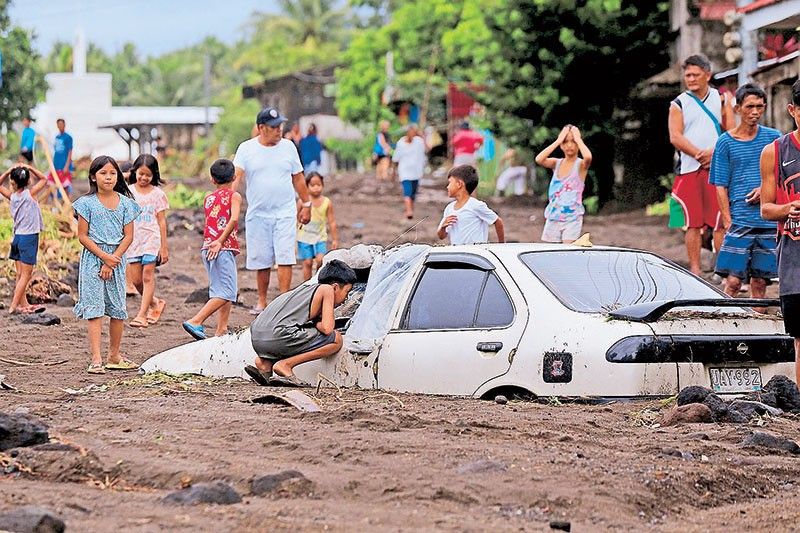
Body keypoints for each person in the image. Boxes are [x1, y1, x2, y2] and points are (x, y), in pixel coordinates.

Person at [233, 107, 312, 314]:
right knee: (262, 259)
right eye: (274, 127)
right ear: (261, 128)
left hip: (285, 211)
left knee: (285, 256)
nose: (279, 130)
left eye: (280, 126)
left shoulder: (288, 147)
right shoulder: (246, 149)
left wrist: (307, 204)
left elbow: (298, 178)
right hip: (258, 213)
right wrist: (227, 200)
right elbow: (237, 176)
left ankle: (284, 300)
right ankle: (262, 301)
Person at [710, 83, 781, 304]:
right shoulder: (725, 143)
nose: (755, 112)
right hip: (739, 220)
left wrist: (765, 189)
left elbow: (784, 174)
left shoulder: (774, 138)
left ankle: (756, 331)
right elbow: (719, 184)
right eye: (750, 106)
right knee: (732, 282)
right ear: (738, 108)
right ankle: (722, 323)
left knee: (760, 283)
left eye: (759, 107)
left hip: (768, 220)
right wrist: (728, 220)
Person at [72, 156, 141, 374]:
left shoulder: (127, 204)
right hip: (93, 259)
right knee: (95, 309)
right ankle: (96, 359)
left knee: (117, 309)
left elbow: (128, 236)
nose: (108, 177)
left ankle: (114, 355)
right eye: (103, 173)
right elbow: (82, 236)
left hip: (117, 260)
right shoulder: (86, 204)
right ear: (93, 176)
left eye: (112, 173)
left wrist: (113, 260)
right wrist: (104, 257)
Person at [668, 54, 734, 275]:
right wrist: (699, 154)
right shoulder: (678, 103)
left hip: (717, 167)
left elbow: (731, 132)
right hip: (688, 168)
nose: (691, 79)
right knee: (691, 222)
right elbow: (675, 137)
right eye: (688, 75)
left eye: (696, 74)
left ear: (708, 74)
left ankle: (720, 269)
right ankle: (695, 269)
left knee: (719, 220)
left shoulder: (722, 99)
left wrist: (714, 153)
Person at [244, 259, 356, 387]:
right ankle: (286, 365)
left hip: (257, 337)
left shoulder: (304, 290)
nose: (346, 298)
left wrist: (317, 323)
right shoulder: (327, 290)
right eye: (347, 292)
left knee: (296, 335)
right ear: (336, 287)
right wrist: (318, 324)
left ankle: (265, 363)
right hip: (278, 335)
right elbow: (327, 328)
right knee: (336, 339)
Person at [760, 79, 800, 384]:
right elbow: (766, 208)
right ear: (792, 110)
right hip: (794, 258)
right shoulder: (776, 151)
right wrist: (788, 209)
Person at [183, 159, 242, 340]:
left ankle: (221, 329)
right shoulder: (234, 196)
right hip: (220, 248)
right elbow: (233, 219)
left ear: (212, 179)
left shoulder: (208, 198)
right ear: (234, 177)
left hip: (208, 248)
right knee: (228, 292)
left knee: (221, 290)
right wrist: (221, 241)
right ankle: (196, 320)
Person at [126, 155, 169, 328]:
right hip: (134, 240)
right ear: (135, 171)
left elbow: (161, 221)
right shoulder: (128, 192)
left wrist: (164, 248)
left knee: (147, 276)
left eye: (148, 175)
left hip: (152, 239)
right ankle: (155, 303)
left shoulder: (158, 194)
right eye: (141, 173)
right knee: (136, 281)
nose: (144, 178)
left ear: (154, 175)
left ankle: (142, 315)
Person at [0, 164, 48, 314]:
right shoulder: (30, 194)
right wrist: (29, 167)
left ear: (12, 182)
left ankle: (23, 304)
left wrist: (8, 170)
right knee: (26, 275)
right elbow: (44, 178)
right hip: (29, 238)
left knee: (20, 274)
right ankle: (13, 306)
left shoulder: (13, 197)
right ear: (28, 182)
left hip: (18, 237)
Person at [535, 125, 593, 243]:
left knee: (567, 251)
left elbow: (588, 157)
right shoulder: (556, 163)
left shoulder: (580, 165)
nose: (570, 145)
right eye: (566, 142)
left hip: (573, 218)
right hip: (553, 217)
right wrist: (558, 140)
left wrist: (578, 139)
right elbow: (539, 159)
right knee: (550, 252)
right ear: (561, 145)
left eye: (573, 142)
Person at [438, 165, 505, 245]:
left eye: (450, 183)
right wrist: (443, 227)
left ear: (459, 184)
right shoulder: (449, 208)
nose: (447, 187)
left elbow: (498, 222)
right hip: (457, 254)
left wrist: (501, 245)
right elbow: (441, 236)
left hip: (475, 254)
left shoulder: (476, 205)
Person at [297, 171, 339, 281]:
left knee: (321, 259)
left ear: (323, 185)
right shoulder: (302, 202)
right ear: (306, 186)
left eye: (318, 185)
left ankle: (317, 280)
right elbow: (296, 220)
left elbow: (332, 222)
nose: (316, 188)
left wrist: (334, 239)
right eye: (312, 185)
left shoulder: (326, 202)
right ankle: (306, 285)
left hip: (320, 237)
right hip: (304, 237)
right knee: (307, 262)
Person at [392, 123, 427, 219]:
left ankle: (410, 209)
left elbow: (427, 148)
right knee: (408, 191)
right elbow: (396, 158)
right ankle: (409, 211)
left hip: (416, 171)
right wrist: (393, 171)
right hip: (405, 171)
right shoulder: (401, 143)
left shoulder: (419, 142)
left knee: (412, 193)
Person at [49, 118, 74, 195]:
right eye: (58, 124)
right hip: (56, 164)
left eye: (61, 124)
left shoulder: (68, 137)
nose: (60, 126)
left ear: (64, 125)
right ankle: (56, 203)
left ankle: (67, 203)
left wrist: (67, 165)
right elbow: (55, 152)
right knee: (53, 183)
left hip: (64, 164)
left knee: (65, 185)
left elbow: (70, 152)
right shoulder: (57, 137)